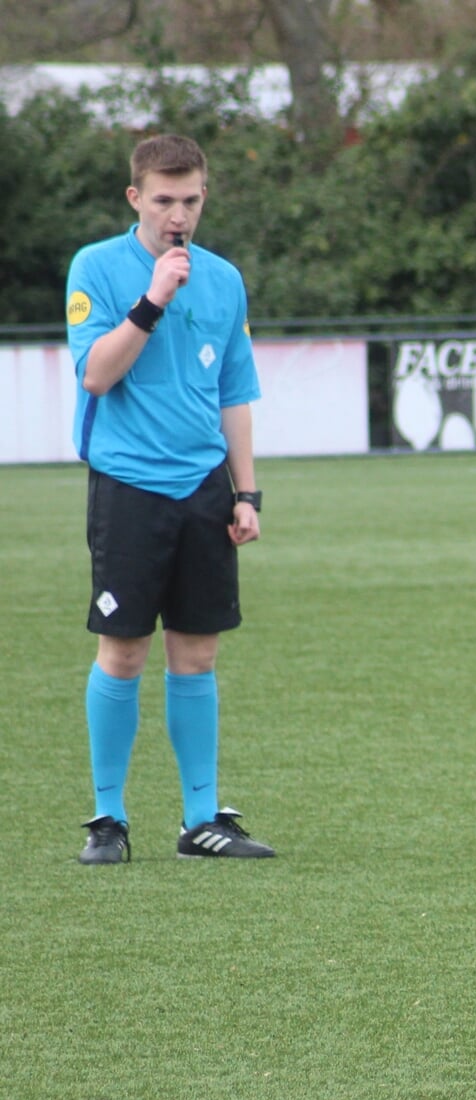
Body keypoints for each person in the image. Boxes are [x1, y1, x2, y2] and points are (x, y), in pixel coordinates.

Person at [65, 133, 274, 863]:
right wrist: (152, 300)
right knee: (122, 654)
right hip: (128, 484)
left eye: (189, 200)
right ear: (136, 199)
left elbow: (236, 393)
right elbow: (96, 375)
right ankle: (108, 819)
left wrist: (245, 492)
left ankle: (199, 820)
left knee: (198, 652)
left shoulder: (224, 279)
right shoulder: (95, 266)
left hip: (203, 488)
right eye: (163, 200)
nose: (177, 215)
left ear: (204, 197)